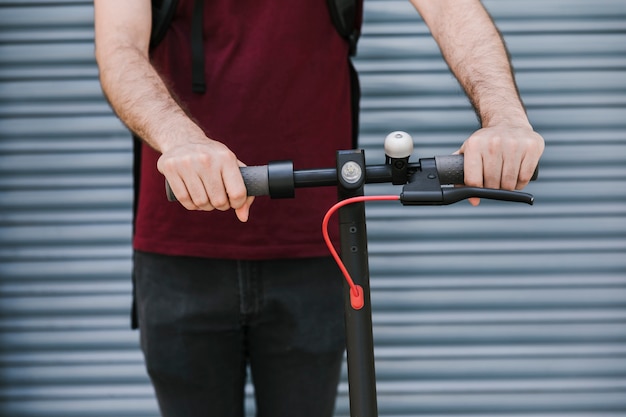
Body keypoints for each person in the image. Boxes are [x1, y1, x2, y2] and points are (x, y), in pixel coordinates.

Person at [93, 1, 545, 416]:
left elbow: (449, 7)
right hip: (179, 246)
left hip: (317, 244)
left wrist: (504, 116)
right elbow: (120, 46)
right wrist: (181, 138)